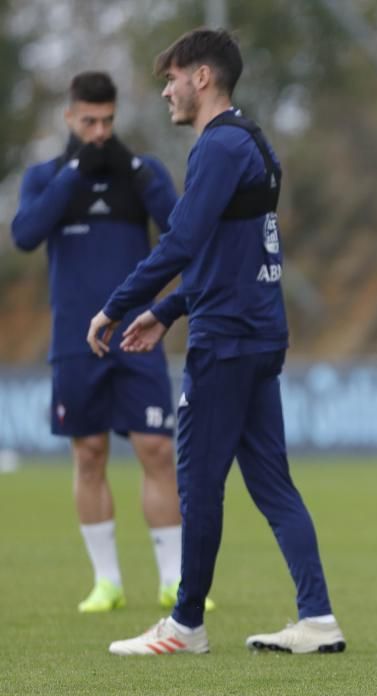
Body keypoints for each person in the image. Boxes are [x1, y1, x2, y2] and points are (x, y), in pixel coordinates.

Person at [86, 28, 345, 657]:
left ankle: (185, 626)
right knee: (272, 484)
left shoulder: (218, 147)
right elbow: (227, 253)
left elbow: (181, 242)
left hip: (227, 340)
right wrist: (169, 310)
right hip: (256, 333)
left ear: (202, 77)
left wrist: (118, 306)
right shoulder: (253, 141)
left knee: (198, 485)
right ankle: (318, 619)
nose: (168, 90)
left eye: (172, 78)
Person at [9, 71, 210, 614]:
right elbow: (25, 234)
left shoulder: (140, 172)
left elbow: (182, 231)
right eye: (89, 121)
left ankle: (174, 580)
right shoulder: (48, 175)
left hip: (135, 337)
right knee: (90, 452)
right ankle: (107, 582)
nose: (99, 131)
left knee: (156, 449)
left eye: (108, 121)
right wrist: (75, 174)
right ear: (70, 118)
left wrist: (138, 178)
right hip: (76, 342)